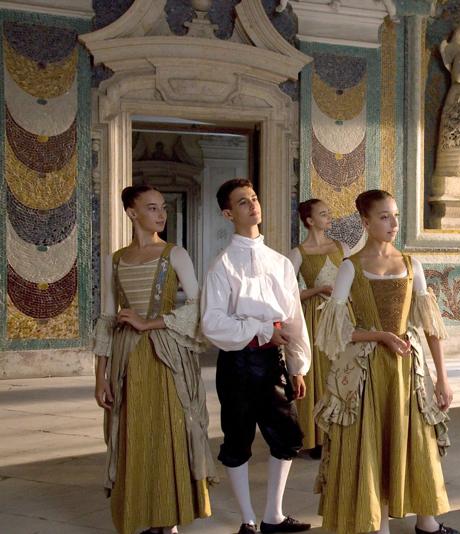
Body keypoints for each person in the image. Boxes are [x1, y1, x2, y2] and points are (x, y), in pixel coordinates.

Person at [314, 189, 458, 534]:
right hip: (366, 371)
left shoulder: (412, 265)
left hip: (407, 368)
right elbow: (335, 332)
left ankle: (428, 521)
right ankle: (376, 523)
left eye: (395, 215)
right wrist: (379, 336)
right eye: (384, 216)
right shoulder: (351, 267)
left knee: (417, 439)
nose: (393, 223)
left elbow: (431, 328)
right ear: (365, 222)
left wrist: (443, 378)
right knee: (371, 441)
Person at [92, 184, 214, 534]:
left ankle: (169, 518)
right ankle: (139, 515)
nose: (160, 214)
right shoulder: (115, 259)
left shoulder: (175, 254)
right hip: (126, 358)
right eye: (151, 208)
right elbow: (105, 317)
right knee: (133, 433)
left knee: (169, 431)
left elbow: (198, 306)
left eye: (162, 207)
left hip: (166, 356)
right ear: (132, 213)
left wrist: (150, 322)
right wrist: (99, 377)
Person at [201, 179, 311, 534]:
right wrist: (261, 329)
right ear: (228, 213)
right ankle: (247, 519)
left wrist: (297, 365)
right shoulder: (222, 265)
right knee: (237, 439)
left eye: (254, 198)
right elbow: (213, 324)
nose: (252, 205)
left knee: (287, 436)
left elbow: (294, 317)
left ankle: (273, 516)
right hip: (237, 364)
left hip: (272, 363)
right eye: (242, 202)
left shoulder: (279, 262)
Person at [288, 198, 350, 460]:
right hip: (314, 317)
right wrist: (318, 290)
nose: (329, 217)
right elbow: (287, 294)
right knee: (317, 376)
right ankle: (314, 439)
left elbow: (354, 280)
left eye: (329, 212)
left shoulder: (341, 246)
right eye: (323, 214)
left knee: (342, 371)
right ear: (309, 220)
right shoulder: (297, 253)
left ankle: (342, 432)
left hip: (343, 316)